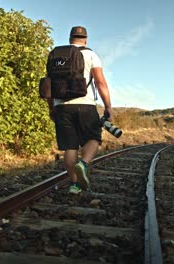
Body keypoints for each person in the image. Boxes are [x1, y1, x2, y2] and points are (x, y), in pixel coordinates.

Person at [45, 26, 113, 195]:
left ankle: (74, 185)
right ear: (85, 40)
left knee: (70, 146)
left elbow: (48, 85)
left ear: (70, 39)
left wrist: (52, 108)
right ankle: (83, 164)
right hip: (85, 104)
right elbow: (100, 83)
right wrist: (108, 106)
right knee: (94, 137)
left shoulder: (56, 56)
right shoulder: (91, 55)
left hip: (61, 106)